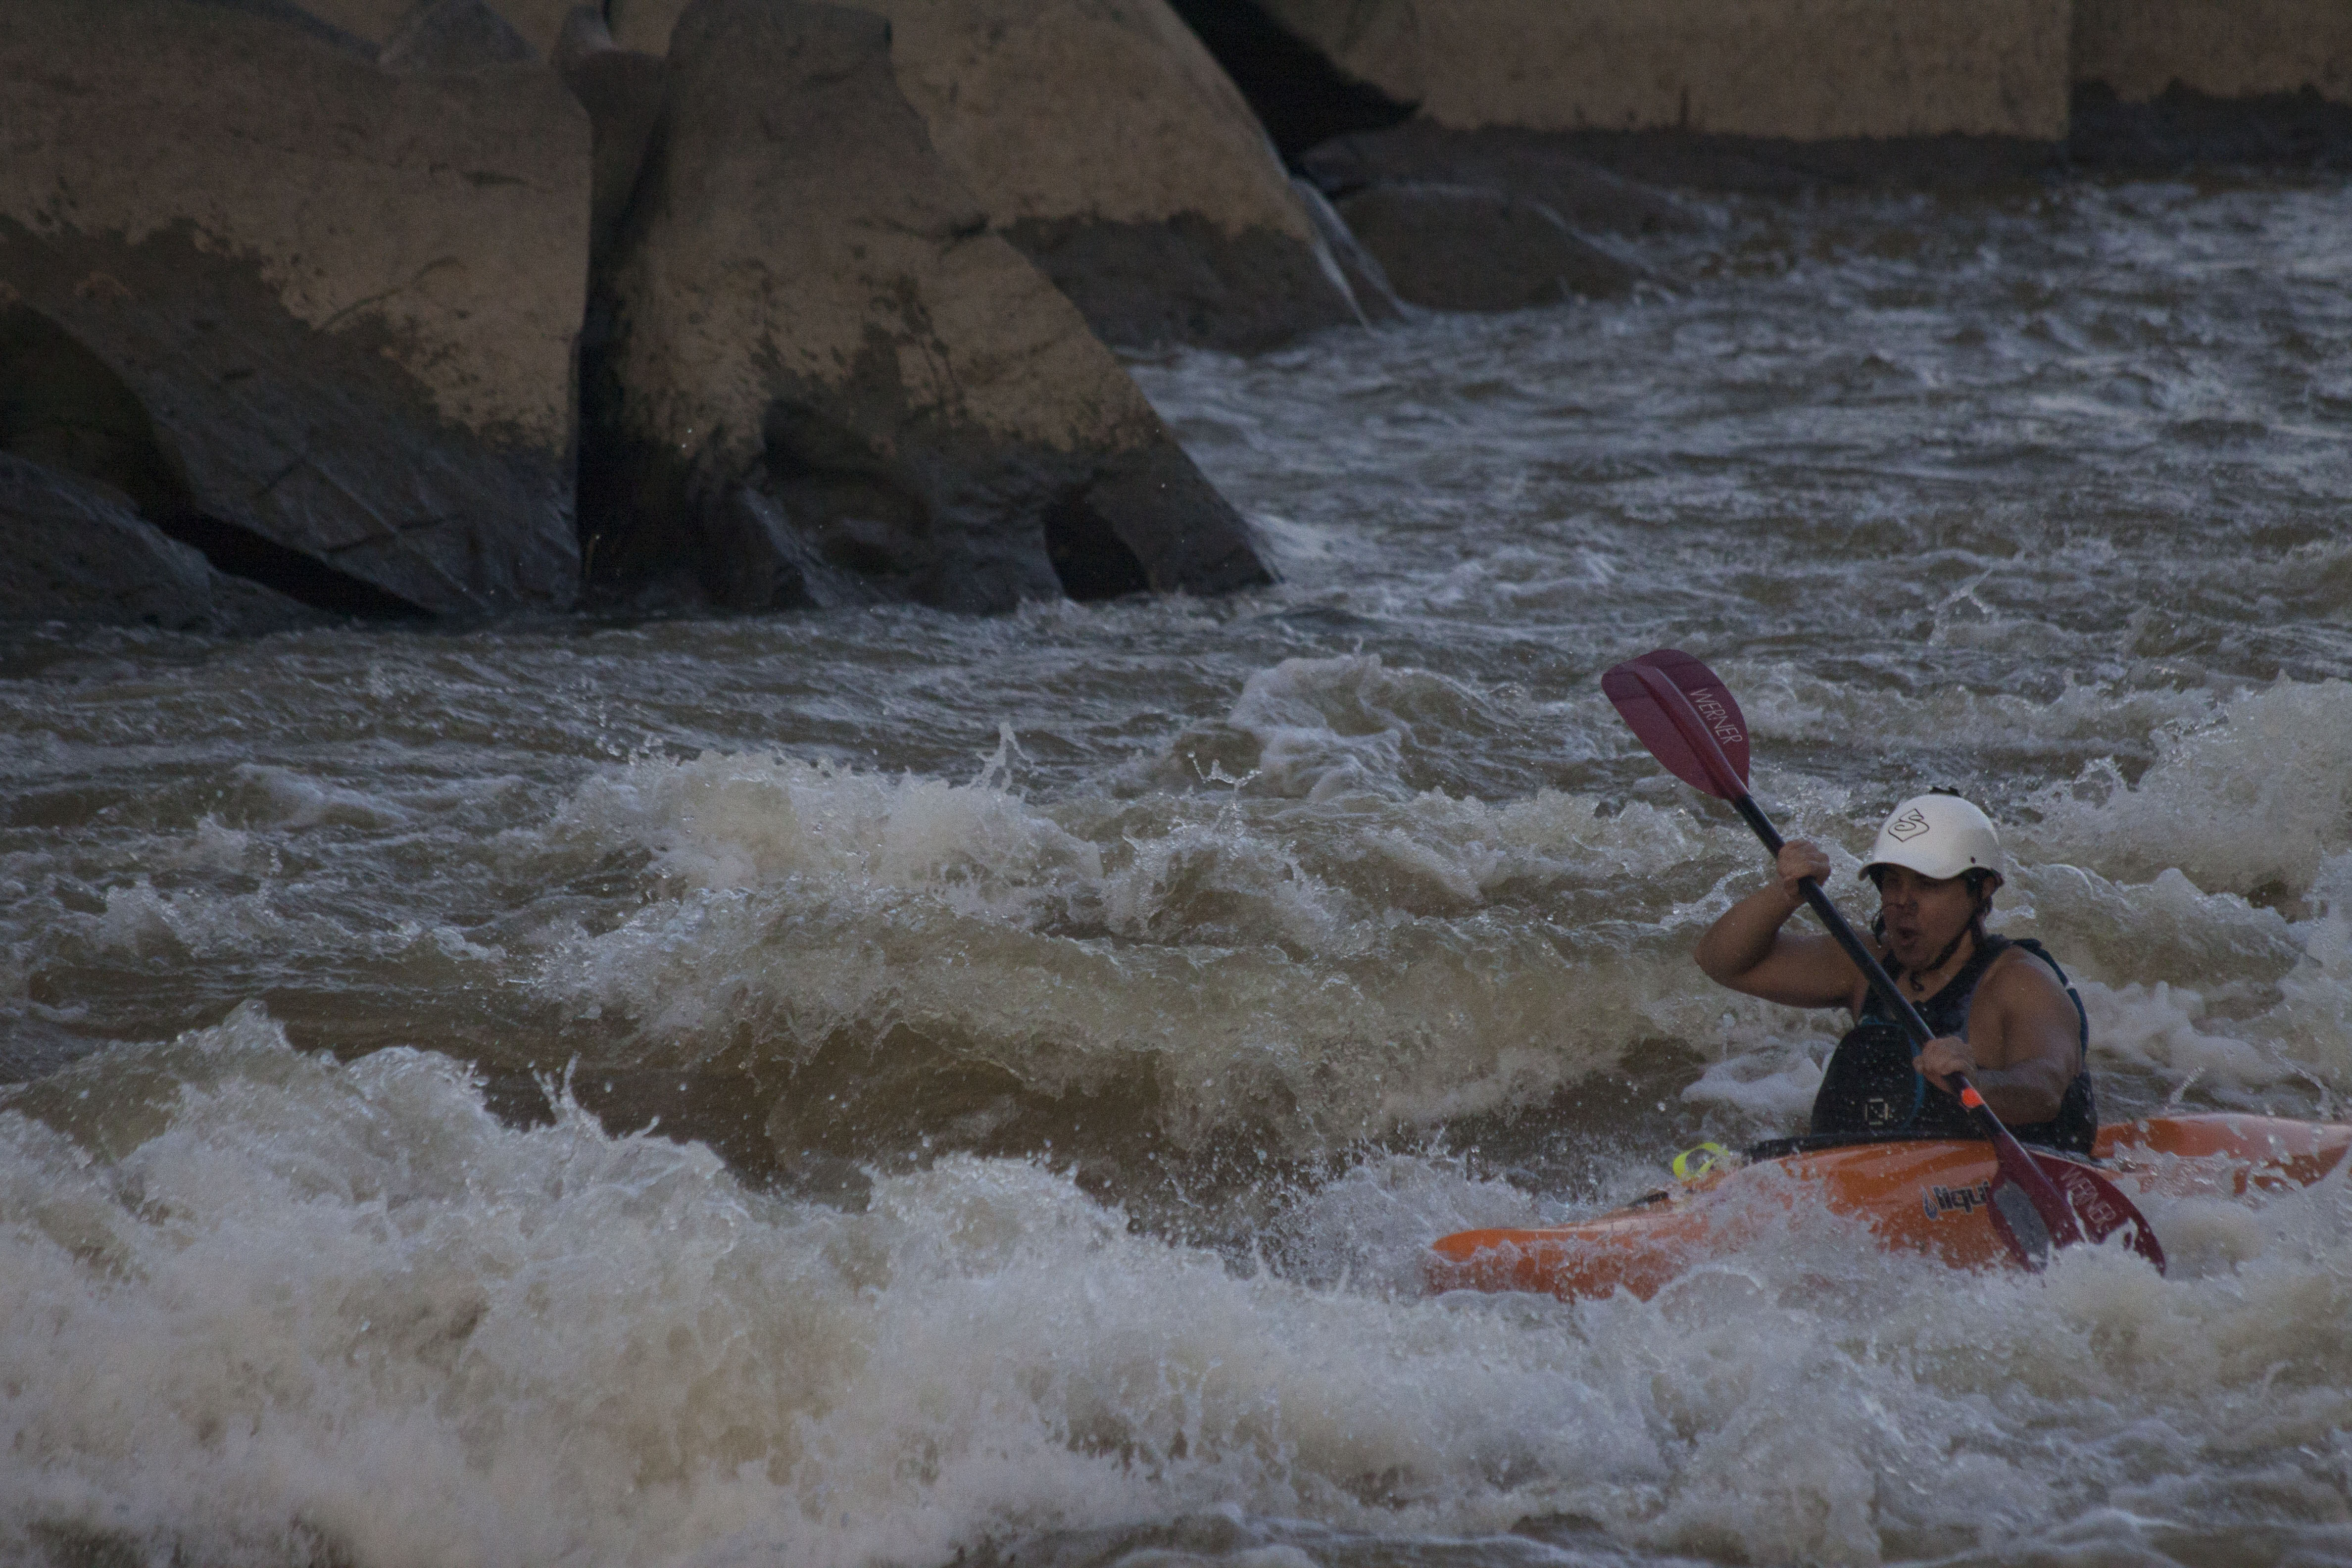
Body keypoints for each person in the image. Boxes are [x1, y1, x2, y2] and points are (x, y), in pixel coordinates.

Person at [1694, 791, 2096, 1152]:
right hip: (1889, 1177)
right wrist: (1784, 894)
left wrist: (1977, 1083)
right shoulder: (1865, 965)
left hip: (2020, 1171)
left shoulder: (2020, 982)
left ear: (1983, 889)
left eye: (1927, 884)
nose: (1903, 902)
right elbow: (1722, 962)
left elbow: (2045, 1088)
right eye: (1892, 882)